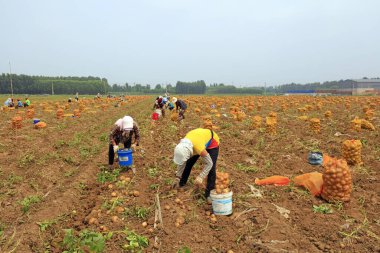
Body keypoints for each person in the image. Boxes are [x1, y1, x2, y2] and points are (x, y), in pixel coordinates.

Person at [172, 128, 220, 202]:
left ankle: (209, 194)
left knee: (211, 168)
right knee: (188, 163)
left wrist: (201, 176)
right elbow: (182, 161)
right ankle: (181, 183)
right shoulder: (182, 146)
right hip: (199, 139)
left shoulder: (198, 147)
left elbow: (209, 163)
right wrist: (177, 177)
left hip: (212, 142)